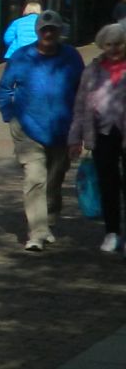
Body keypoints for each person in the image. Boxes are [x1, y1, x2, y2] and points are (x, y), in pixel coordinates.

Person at [0, 11, 84, 251]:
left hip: (62, 129)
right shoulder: (21, 56)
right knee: (35, 178)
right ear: (37, 31)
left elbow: (83, 92)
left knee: (54, 179)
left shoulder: (71, 57)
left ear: (59, 32)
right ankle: (37, 232)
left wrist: (81, 127)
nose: (48, 33)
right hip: (27, 128)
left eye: (52, 29)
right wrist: (10, 115)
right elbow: (4, 88)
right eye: (44, 29)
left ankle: (50, 216)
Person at [70, 23, 126, 254]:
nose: (113, 49)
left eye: (118, 44)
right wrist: (75, 138)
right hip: (103, 134)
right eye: (109, 44)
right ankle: (112, 232)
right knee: (108, 184)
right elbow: (81, 107)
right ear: (102, 45)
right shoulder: (92, 70)